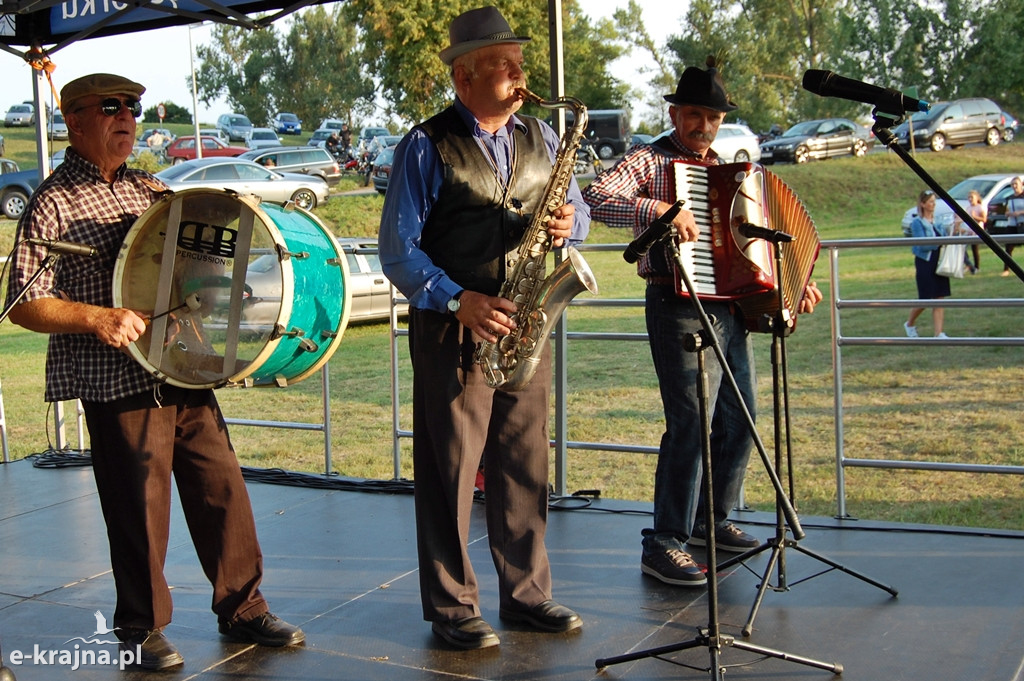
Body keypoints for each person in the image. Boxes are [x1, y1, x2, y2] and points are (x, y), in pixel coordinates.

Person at [4, 73, 304, 671]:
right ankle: (141, 631)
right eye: (110, 107)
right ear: (75, 120)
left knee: (222, 488)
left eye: (132, 108)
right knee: (139, 508)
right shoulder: (53, 200)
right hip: (115, 378)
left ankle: (244, 606)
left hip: (180, 365)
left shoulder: (149, 188)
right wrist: (96, 317)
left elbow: (188, 265)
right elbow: (21, 302)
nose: (126, 117)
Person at [378, 6, 588, 650]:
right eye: (503, 63)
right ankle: (452, 607)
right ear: (464, 77)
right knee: (449, 468)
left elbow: (575, 206)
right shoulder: (425, 143)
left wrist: (568, 226)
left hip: (523, 317)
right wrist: (454, 298)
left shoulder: (544, 137)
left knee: (524, 463)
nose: (519, 73)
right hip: (454, 326)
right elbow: (398, 250)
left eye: (519, 62)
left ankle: (526, 596)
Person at [582, 58, 822, 587]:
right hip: (677, 303)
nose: (704, 126)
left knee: (740, 418)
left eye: (713, 117)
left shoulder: (732, 175)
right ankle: (663, 541)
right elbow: (596, 198)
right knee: (690, 422)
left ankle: (708, 521)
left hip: (731, 307)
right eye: (695, 115)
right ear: (675, 113)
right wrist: (660, 211)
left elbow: (755, 243)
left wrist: (792, 282)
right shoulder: (651, 159)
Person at [905, 189, 965, 337]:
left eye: (934, 201)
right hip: (925, 262)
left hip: (938, 262)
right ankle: (909, 323)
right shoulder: (917, 223)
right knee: (925, 298)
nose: (933, 204)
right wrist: (939, 243)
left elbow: (946, 239)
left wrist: (955, 228)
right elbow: (923, 245)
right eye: (930, 201)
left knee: (939, 297)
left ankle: (939, 333)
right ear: (923, 204)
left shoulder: (938, 222)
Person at [1002, 175, 1024, 276]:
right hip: (1012, 224)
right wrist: (1007, 213)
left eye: (1016, 184)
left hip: (1022, 224)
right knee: (1008, 248)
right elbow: (1007, 209)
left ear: (1021, 185)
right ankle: (1006, 269)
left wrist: (1020, 213)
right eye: (1012, 184)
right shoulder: (1010, 198)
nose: (1014, 186)